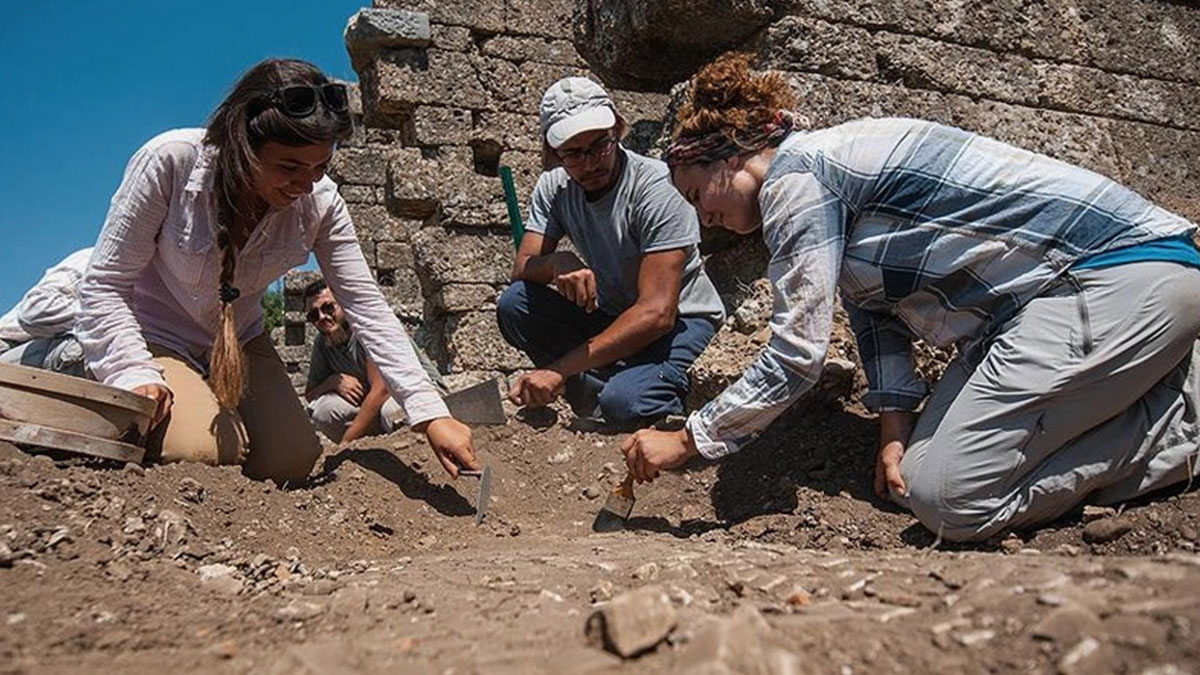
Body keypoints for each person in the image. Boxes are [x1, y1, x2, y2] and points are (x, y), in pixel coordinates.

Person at [622, 53, 1200, 542]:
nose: (704, 217)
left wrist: (689, 437)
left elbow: (798, 355)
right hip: (1053, 307)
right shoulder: (826, 180)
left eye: (697, 194)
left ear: (727, 155)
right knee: (918, 474)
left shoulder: (797, 180)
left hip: (1112, 278)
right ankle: (1149, 382)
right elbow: (875, 316)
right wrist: (894, 429)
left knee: (951, 501)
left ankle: (1186, 423)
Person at [76, 58, 479, 483]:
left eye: (319, 168)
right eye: (289, 167)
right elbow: (104, 284)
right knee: (201, 450)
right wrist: (131, 370)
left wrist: (430, 413)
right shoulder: (171, 163)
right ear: (241, 143)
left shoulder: (320, 203)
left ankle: (211, 402)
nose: (304, 184)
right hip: (153, 335)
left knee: (292, 460)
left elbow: (366, 307)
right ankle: (83, 366)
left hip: (239, 340)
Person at [496, 76, 726, 428]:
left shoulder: (657, 187)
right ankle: (601, 391)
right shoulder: (554, 187)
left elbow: (657, 313)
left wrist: (556, 370)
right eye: (573, 153)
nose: (589, 164)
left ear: (617, 131)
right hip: (616, 315)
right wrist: (557, 263)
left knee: (625, 404)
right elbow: (522, 270)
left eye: (599, 146)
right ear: (551, 152)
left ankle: (650, 393)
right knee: (516, 303)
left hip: (681, 322)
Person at [303, 278, 447, 444]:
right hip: (373, 404)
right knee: (322, 410)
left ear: (342, 302)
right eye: (314, 315)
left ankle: (416, 450)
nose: (322, 317)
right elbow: (310, 394)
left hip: (416, 391)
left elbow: (381, 390)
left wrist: (345, 444)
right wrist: (332, 382)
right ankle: (373, 450)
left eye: (328, 307)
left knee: (392, 411)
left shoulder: (366, 326)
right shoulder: (323, 342)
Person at [0, 247, 93, 376]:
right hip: (9, 346)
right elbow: (34, 311)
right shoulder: (95, 260)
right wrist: (107, 312)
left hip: (44, 345)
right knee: (101, 344)